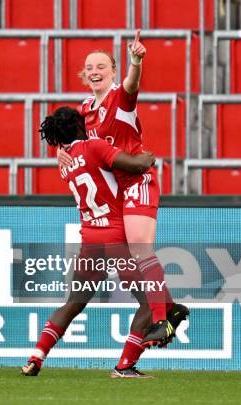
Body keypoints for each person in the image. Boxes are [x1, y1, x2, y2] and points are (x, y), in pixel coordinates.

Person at [20, 107, 188, 378]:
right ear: (78, 125)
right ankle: (125, 366)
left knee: (74, 302)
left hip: (90, 241)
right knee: (148, 302)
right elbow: (135, 165)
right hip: (117, 237)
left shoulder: (65, 163)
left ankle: (36, 356)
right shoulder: (94, 146)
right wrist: (148, 159)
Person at [57, 31, 178, 346]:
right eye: (89, 67)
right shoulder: (84, 109)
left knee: (139, 246)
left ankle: (163, 320)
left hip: (136, 179)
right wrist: (60, 148)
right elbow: (69, 136)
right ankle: (161, 317)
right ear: (84, 75)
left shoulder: (119, 96)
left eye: (101, 66)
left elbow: (132, 83)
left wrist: (136, 61)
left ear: (112, 71)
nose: (95, 71)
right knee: (127, 260)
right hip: (113, 192)